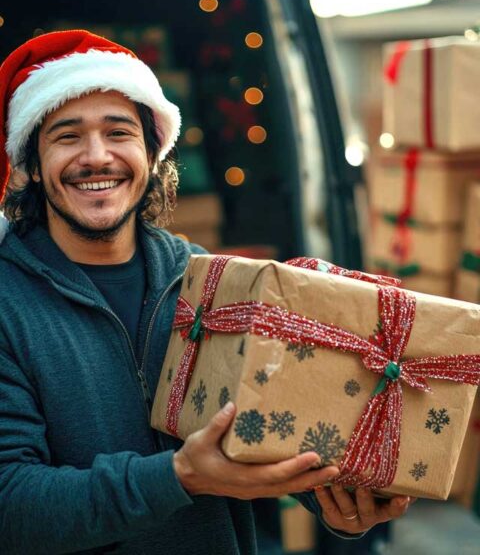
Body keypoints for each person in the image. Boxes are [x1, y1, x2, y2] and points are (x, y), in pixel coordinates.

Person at [0, 30, 412, 555]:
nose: (97, 156)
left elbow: (271, 427)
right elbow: (10, 505)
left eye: (119, 132)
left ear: (153, 154)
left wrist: (337, 499)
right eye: (67, 136)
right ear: (32, 165)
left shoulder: (212, 282)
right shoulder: (7, 299)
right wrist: (179, 476)